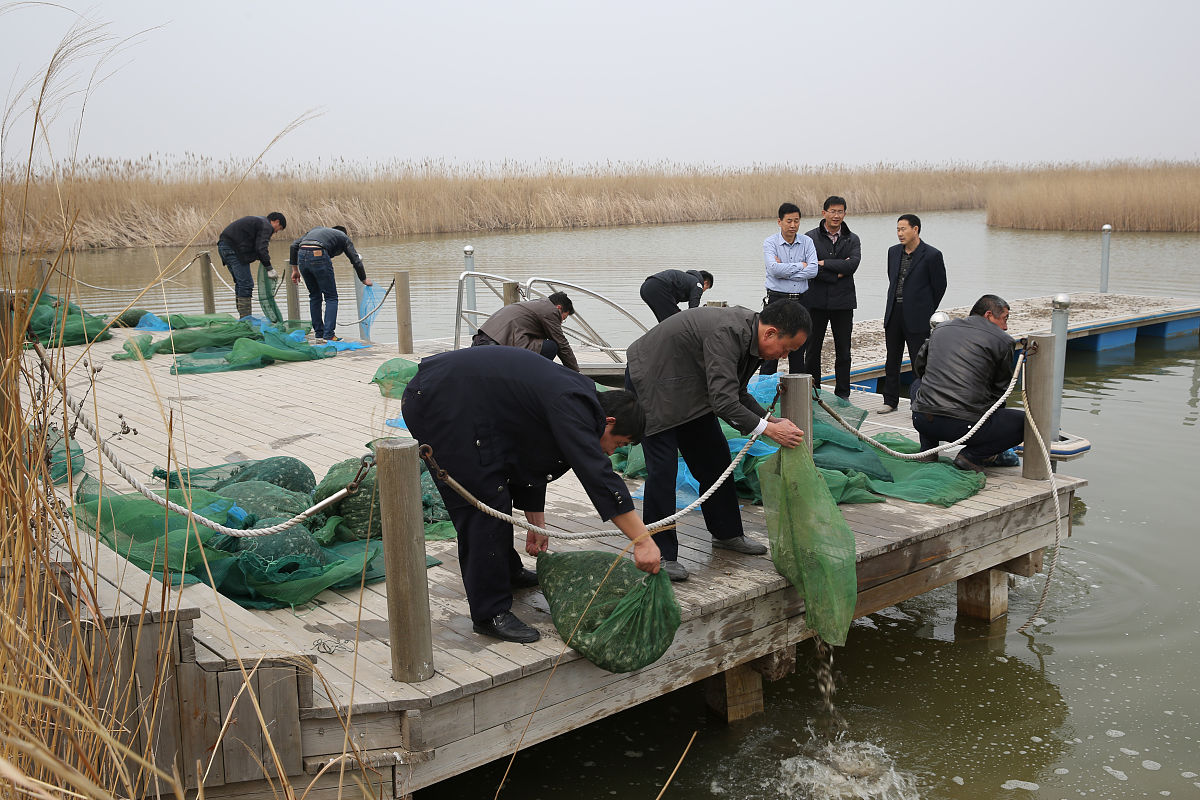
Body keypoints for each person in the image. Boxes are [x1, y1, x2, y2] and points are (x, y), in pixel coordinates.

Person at [402, 347, 661, 643]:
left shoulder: (577, 401)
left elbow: (530, 451)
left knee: (496, 489)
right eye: (620, 443)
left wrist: (535, 521)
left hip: (468, 401)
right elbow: (598, 475)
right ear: (609, 421)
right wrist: (642, 541)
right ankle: (489, 613)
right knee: (484, 503)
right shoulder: (573, 405)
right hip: (438, 399)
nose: (614, 451)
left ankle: (507, 571)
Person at [625, 300, 810, 582]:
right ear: (771, 333)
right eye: (787, 349)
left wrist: (770, 420)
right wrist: (768, 430)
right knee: (663, 469)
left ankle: (727, 533)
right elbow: (724, 401)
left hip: (690, 386)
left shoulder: (752, 339)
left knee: (715, 459)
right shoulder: (728, 333)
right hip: (653, 381)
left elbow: (737, 392)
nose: (784, 356)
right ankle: (661, 552)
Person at [910, 295, 1023, 472]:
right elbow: (1001, 391)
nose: (1006, 327)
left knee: (918, 384)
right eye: (1004, 319)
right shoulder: (1003, 340)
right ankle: (971, 456)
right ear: (988, 315)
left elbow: (920, 369)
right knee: (1025, 423)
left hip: (923, 420)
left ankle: (928, 449)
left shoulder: (941, 329)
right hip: (965, 427)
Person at [880, 213, 947, 413]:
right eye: (898, 230)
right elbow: (892, 279)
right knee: (892, 359)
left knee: (919, 361)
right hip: (894, 312)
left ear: (915, 229)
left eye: (903, 229)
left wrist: (925, 309)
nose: (900, 234)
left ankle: (918, 402)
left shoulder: (932, 255)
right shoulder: (893, 252)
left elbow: (940, 286)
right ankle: (890, 401)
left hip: (918, 316)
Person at [803, 196, 861, 399]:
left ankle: (843, 394)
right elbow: (809, 269)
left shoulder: (852, 238)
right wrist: (837, 272)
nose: (836, 215)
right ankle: (813, 392)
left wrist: (823, 264)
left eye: (840, 211)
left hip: (843, 303)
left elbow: (852, 265)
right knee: (812, 350)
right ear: (824, 213)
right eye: (832, 211)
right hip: (816, 302)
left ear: (845, 213)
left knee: (843, 351)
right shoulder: (809, 238)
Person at [760, 202, 819, 376]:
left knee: (798, 350)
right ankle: (764, 395)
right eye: (789, 221)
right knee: (770, 349)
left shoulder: (807, 242)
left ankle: (796, 395)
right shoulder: (770, 242)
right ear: (779, 221)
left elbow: (813, 270)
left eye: (796, 221)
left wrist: (785, 270)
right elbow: (773, 269)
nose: (793, 225)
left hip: (801, 300)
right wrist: (801, 265)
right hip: (777, 299)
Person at [287, 225, 372, 343]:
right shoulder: (344, 237)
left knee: (314, 296)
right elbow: (355, 259)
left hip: (302, 255)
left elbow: (293, 246)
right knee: (331, 297)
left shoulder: (316, 230)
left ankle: (319, 334)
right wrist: (364, 279)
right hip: (319, 254)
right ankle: (329, 335)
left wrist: (295, 270)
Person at [472, 292, 579, 371]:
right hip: (495, 346)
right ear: (559, 308)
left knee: (542, 344)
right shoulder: (550, 311)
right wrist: (576, 373)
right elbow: (562, 344)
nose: (560, 323)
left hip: (480, 340)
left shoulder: (537, 304)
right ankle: (532, 378)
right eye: (562, 319)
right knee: (552, 346)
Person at [217, 212, 287, 319]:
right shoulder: (267, 226)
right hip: (232, 249)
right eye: (279, 228)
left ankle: (243, 317)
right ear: (276, 222)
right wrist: (269, 268)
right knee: (246, 284)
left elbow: (254, 246)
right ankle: (246, 320)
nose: (276, 232)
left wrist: (261, 258)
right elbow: (261, 248)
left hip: (223, 246)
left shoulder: (259, 222)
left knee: (241, 284)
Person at [639, 269, 714, 322]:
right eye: (706, 289)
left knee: (665, 321)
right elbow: (693, 308)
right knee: (676, 321)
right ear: (706, 283)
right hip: (659, 287)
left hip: (645, 288)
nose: (703, 291)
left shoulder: (685, 278)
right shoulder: (697, 284)